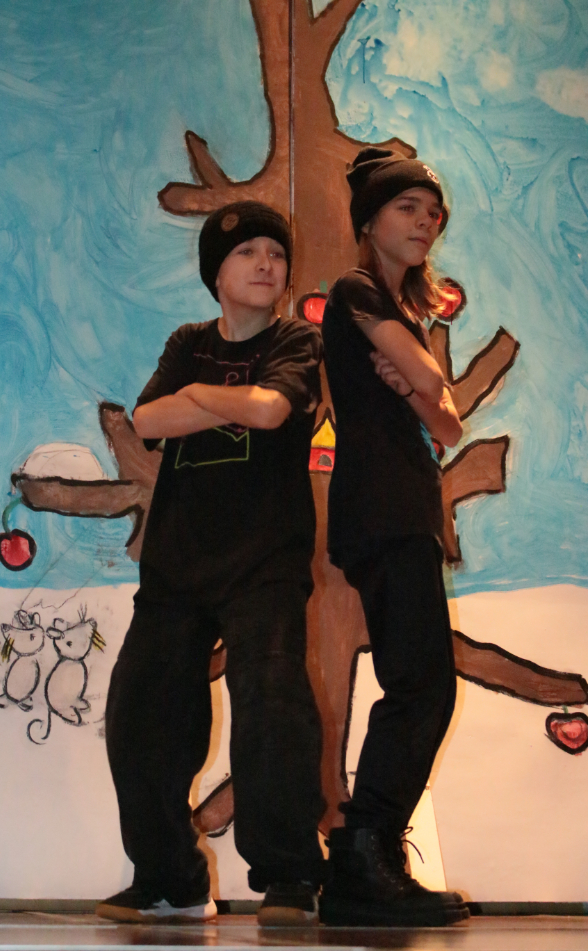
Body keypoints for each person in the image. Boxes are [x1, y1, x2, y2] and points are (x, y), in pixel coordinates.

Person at [97, 202, 325, 927]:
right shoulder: (188, 341)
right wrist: (213, 401)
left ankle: (289, 877)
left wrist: (195, 398)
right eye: (248, 252)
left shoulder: (297, 340)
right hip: (177, 563)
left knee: (273, 708)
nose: (266, 264)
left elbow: (271, 410)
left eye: (276, 254)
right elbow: (147, 420)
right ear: (215, 274)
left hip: (265, 561)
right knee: (140, 715)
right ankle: (173, 880)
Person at [319, 148, 468, 927]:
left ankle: (369, 856)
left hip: (404, 507)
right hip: (381, 507)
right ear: (369, 220)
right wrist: (418, 379)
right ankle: (362, 857)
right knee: (422, 686)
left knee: (421, 684)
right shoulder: (356, 290)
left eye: (432, 212)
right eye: (408, 208)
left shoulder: (403, 310)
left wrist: (413, 382)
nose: (425, 222)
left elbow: (449, 422)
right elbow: (436, 388)